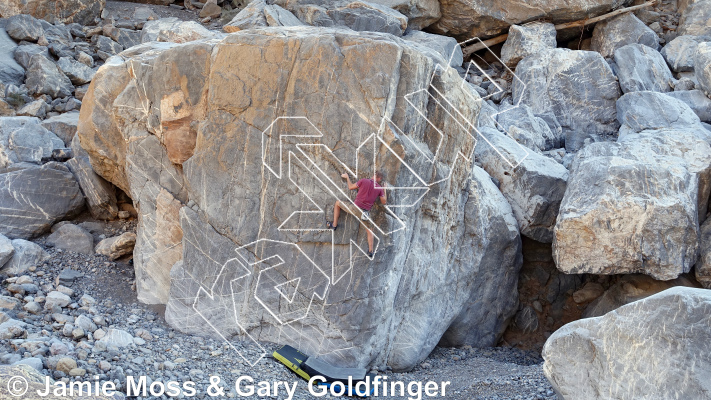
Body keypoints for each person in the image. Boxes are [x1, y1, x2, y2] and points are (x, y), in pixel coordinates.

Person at [327, 171, 386, 258]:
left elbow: (350, 187)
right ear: (379, 179)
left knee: (337, 203)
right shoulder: (379, 188)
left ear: (373, 175)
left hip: (355, 208)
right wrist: (384, 189)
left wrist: (347, 177)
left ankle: (334, 225)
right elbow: (384, 202)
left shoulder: (364, 181)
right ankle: (371, 251)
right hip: (365, 213)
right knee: (370, 230)